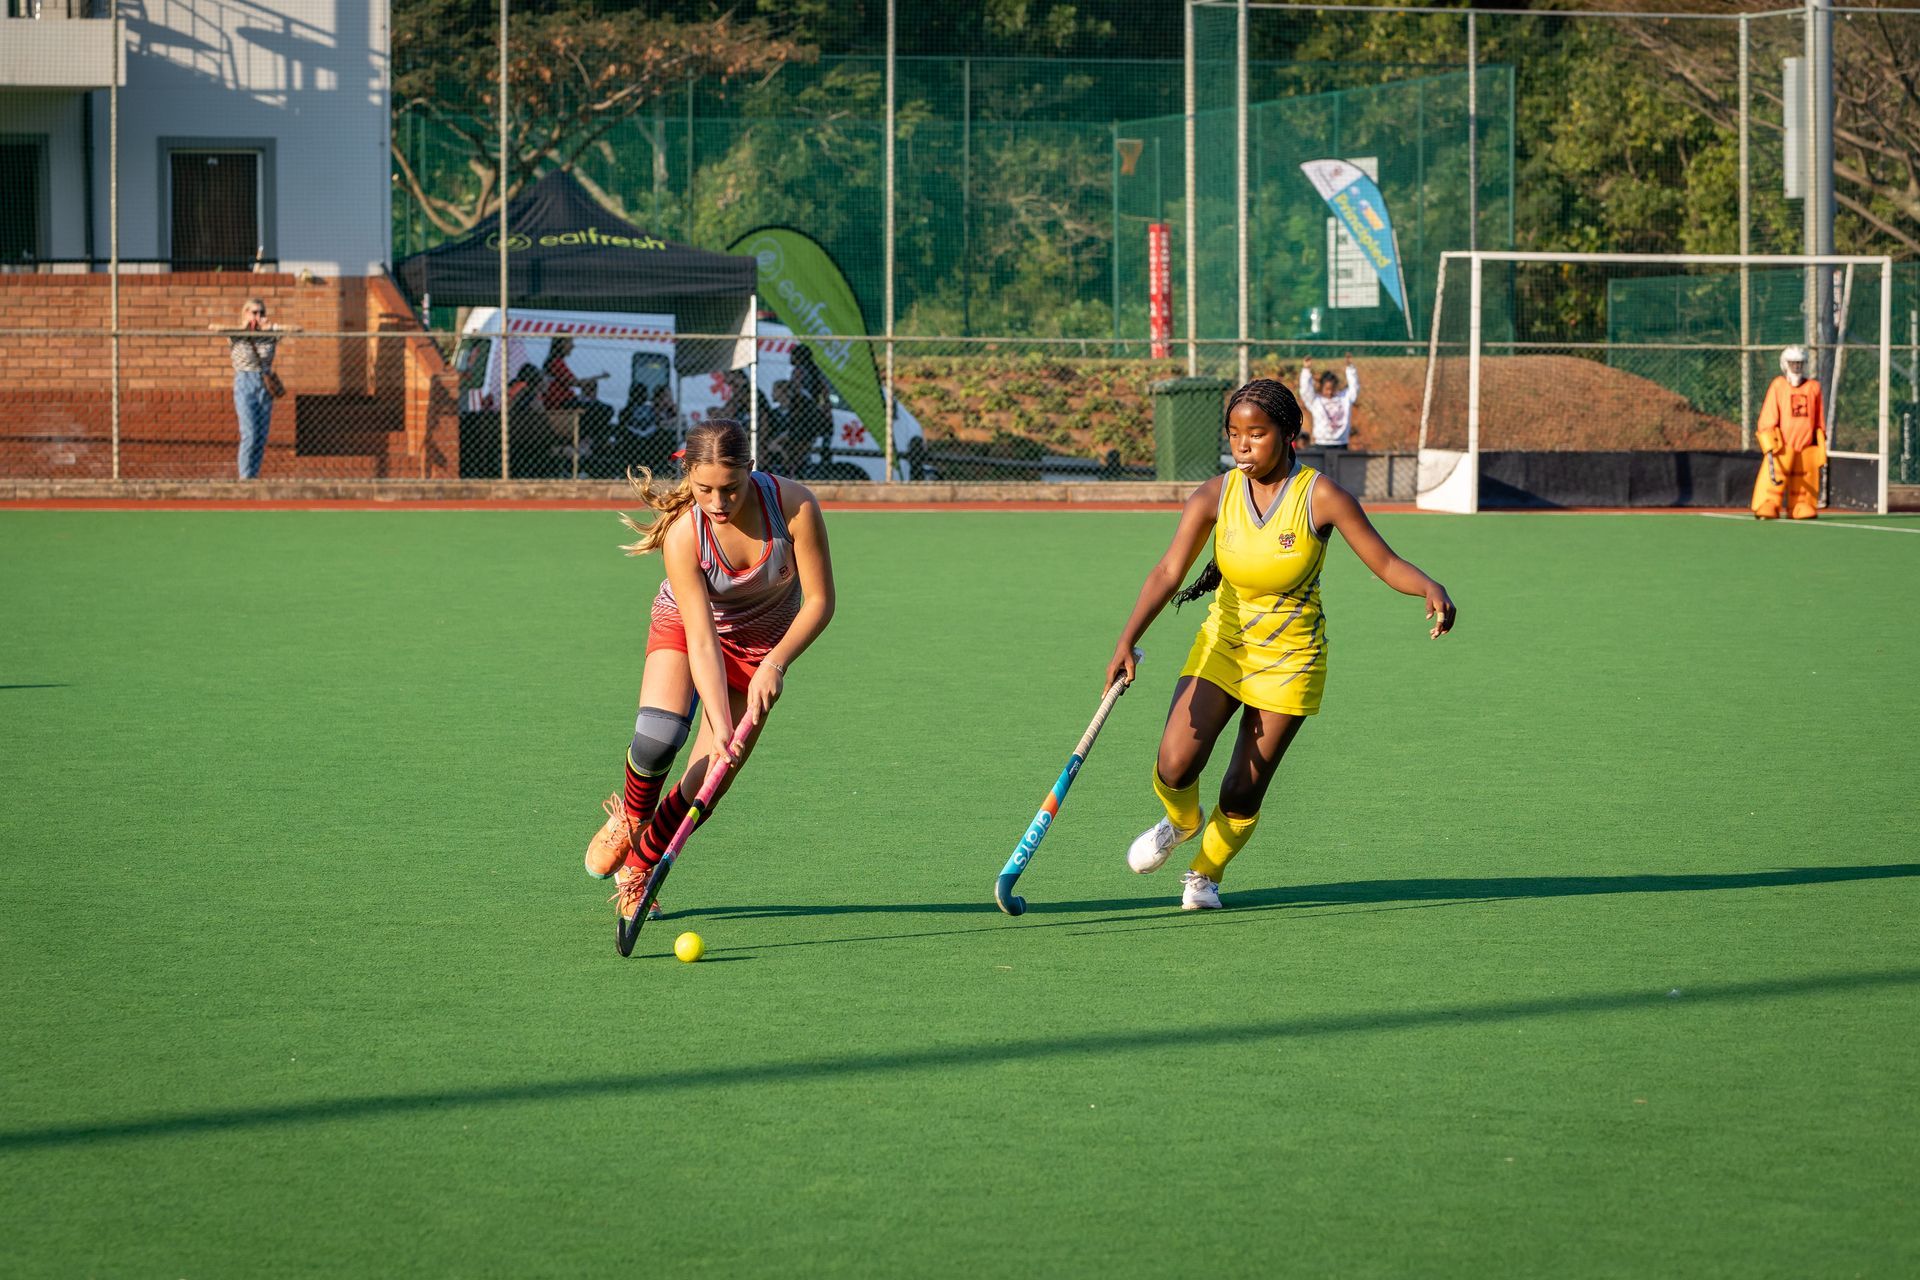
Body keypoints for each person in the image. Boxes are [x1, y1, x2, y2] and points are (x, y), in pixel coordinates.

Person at [1104, 377, 1456, 910]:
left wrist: (1429, 585)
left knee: (1242, 789)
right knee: (1175, 763)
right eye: (1234, 433)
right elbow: (1168, 571)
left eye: (1258, 434)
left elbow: (1384, 563)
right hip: (1224, 643)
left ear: (1289, 434)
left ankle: (1205, 873)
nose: (1243, 445)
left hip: (1292, 658)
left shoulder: (1321, 496)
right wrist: (1127, 639)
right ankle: (1180, 823)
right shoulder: (1214, 494)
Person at [582, 417, 837, 938]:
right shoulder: (684, 536)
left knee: (707, 786)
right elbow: (700, 639)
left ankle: (641, 867)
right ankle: (630, 820)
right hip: (690, 628)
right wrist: (719, 718)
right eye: (703, 490)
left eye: (730, 488)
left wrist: (776, 661)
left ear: (750, 470)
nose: (717, 503)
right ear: (688, 476)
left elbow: (820, 601)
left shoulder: (795, 507)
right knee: (656, 740)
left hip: (760, 649)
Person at [209, 298, 297, 479]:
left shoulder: (269, 334)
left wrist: (272, 328)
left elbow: (298, 329)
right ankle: (245, 478)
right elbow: (214, 327)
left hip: (264, 383)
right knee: (249, 434)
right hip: (244, 380)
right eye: (254, 312)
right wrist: (244, 327)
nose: (258, 316)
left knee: (261, 436)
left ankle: (254, 477)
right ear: (245, 313)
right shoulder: (238, 334)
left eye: (261, 313)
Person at [1752, 345, 1826, 520]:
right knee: (1774, 476)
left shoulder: (1813, 387)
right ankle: (1768, 503)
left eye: (1800, 364)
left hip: (1806, 446)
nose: (1796, 367)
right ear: (1785, 364)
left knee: (1804, 477)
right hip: (1782, 446)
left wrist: (1820, 439)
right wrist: (1768, 437)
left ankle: (1801, 505)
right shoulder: (1778, 386)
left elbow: (1819, 417)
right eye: (1793, 364)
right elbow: (1769, 414)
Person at [1299, 355, 1359, 449]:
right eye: (1327, 389)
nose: (1330, 392)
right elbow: (1305, 390)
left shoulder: (1345, 399)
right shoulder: (1315, 401)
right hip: (1321, 443)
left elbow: (1354, 388)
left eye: (1332, 389)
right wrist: (1306, 369)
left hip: (1341, 443)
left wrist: (1350, 368)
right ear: (1321, 387)